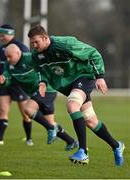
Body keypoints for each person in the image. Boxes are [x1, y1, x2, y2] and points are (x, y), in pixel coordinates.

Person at [27, 25, 125, 166]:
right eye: (32, 43)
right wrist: (42, 82)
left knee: (72, 105)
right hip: (68, 85)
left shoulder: (65, 44)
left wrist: (100, 76)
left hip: (83, 76)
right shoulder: (36, 55)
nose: (34, 46)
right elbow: (38, 69)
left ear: (45, 38)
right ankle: (116, 146)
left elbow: (93, 53)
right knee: (90, 121)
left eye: (37, 42)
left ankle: (83, 151)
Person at [0, 44, 78, 150]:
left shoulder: (30, 58)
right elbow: (9, 79)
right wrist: (3, 81)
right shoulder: (9, 65)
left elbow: (46, 66)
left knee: (28, 109)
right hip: (36, 93)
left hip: (46, 89)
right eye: (6, 57)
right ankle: (71, 141)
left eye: (9, 56)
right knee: (50, 122)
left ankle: (50, 129)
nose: (7, 59)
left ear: (18, 53)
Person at [0, 24, 33, 146]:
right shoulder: (2, 49)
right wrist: (1, 79)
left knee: (25, 113)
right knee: (2, 110)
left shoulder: (21, 48)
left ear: (11, 34)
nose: (1, 38)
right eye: (0, 35)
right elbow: (3, 67)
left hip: (18, 85)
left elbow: (28, 66)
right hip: (5, 84)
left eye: (3, 35)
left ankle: (29, 138)